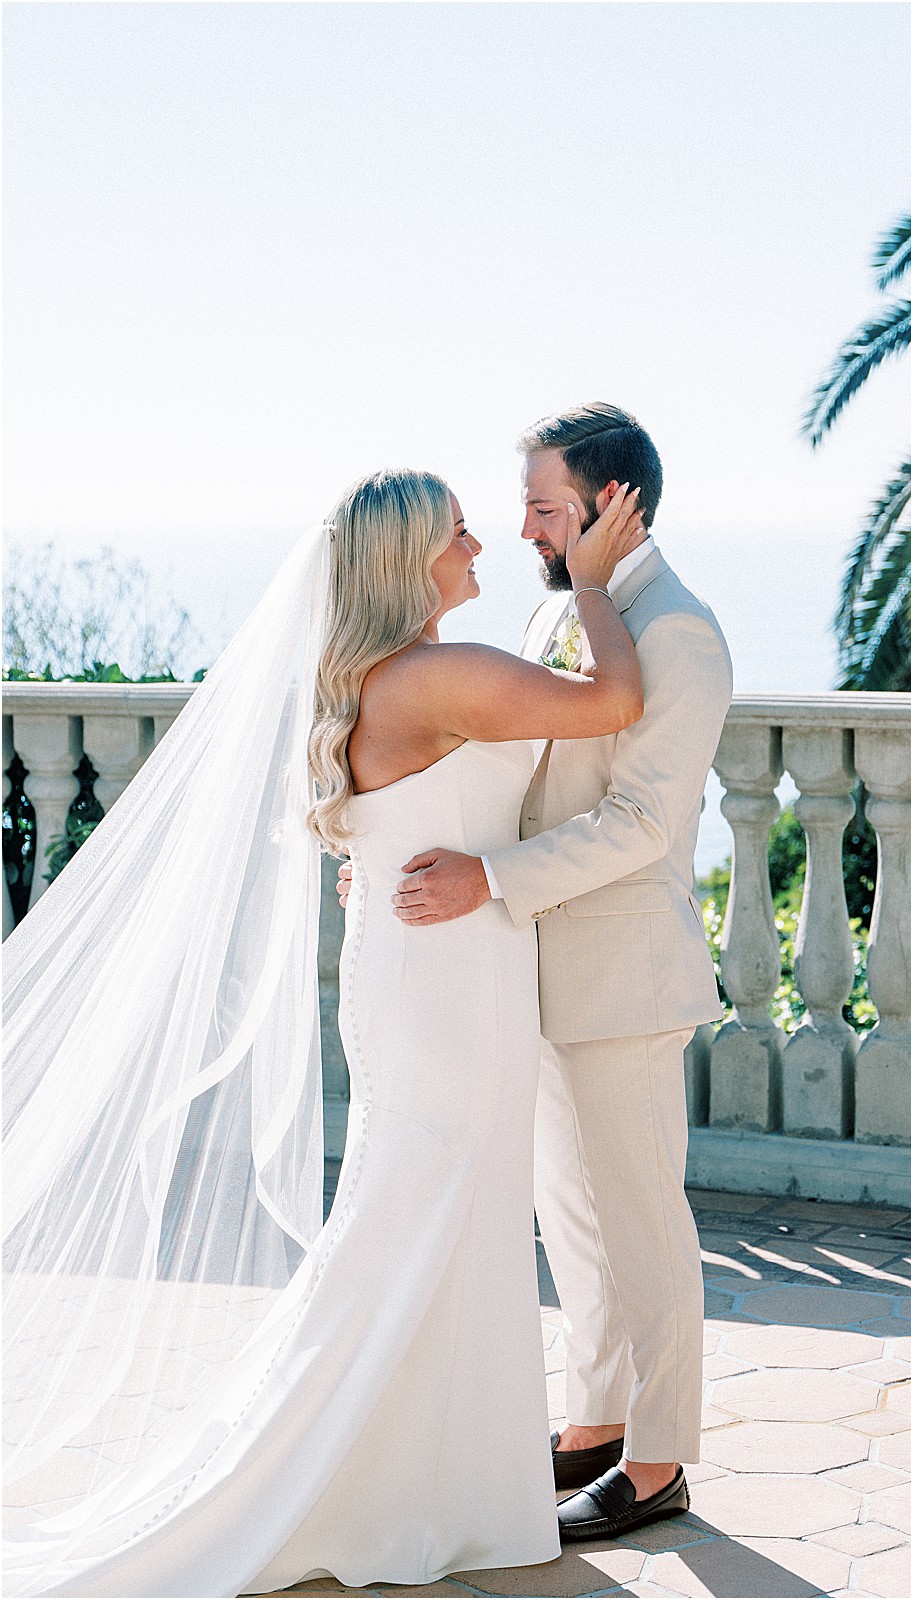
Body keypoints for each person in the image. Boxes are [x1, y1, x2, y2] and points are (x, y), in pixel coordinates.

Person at [3, 468, 645, 1597]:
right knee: (429, 1216)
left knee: (430, 1215)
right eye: (457, 532)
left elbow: (390, 818)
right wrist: (591, 580)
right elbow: (614, 703)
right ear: (408, 559)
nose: (478, 546)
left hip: (426, 967)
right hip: (450, 979)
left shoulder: (369, 677)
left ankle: (438, 1482)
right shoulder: (440, 672)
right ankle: (358, 1480)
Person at [339, 403, 733, 1543]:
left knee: (641, 1222)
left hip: (619, 974)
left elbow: (641, 823)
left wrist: (489, 879)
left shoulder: (679, 633)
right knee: (574, 1223)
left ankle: (657, 1459)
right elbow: (493, 769)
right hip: (524, 972)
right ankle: (595, 1422)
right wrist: (385, 848)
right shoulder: (560, 611)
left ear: (613, 505)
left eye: (543, 507)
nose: (522, 531)